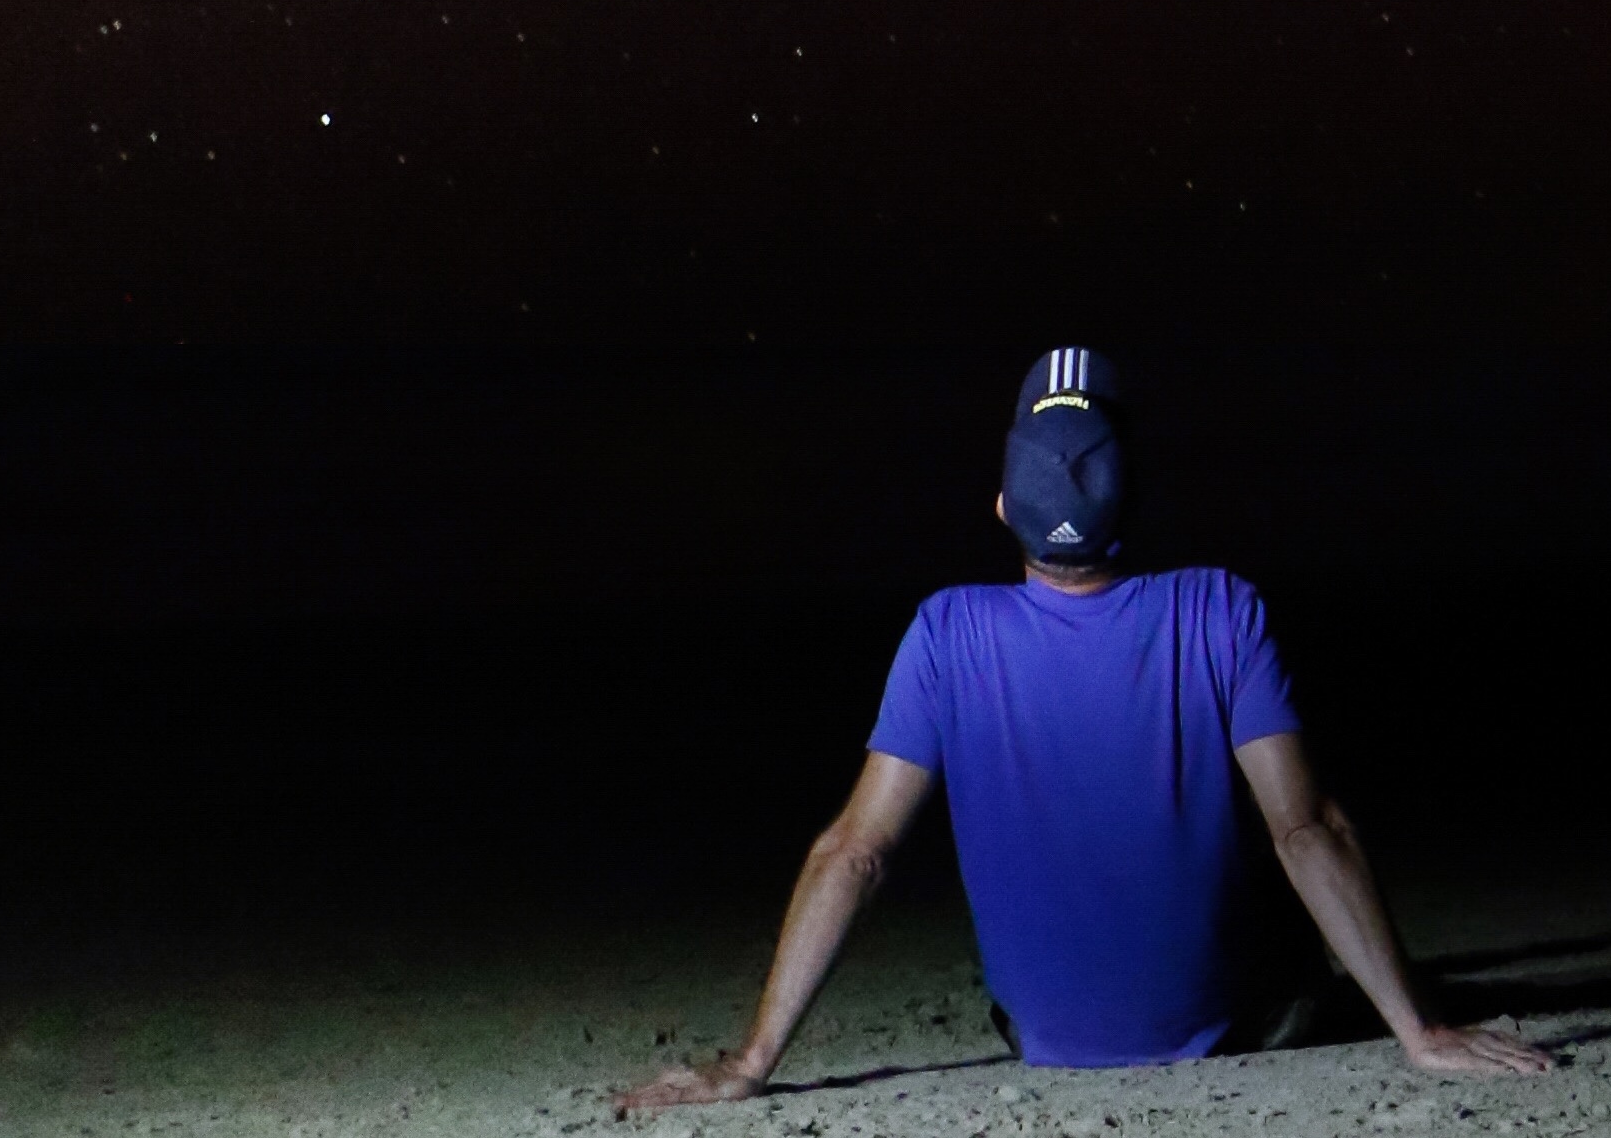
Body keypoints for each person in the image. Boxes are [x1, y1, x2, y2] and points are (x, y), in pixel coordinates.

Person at [619, 348, 1548, 1101]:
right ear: (1133, 499)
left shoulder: (946, 630)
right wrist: (1419, 1033)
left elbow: (853, 854)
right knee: (1282, 886)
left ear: (1002, 508)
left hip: (1041, 1044)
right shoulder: (1221, 607)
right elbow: (1309, 831)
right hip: (1226, 1030)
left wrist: (747, 1066)